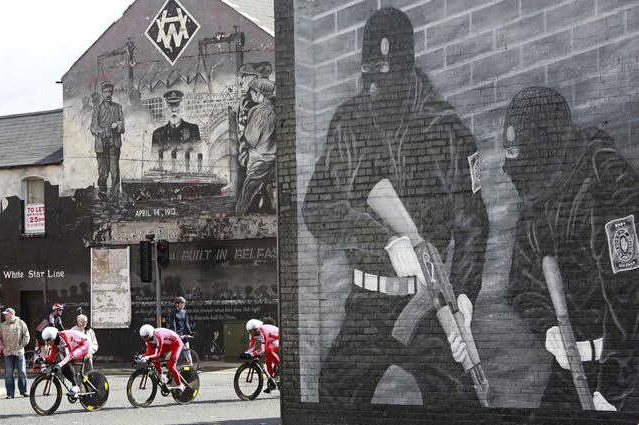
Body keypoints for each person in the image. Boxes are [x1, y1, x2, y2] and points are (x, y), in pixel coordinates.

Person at [301, 7, 489, 405]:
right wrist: (384, 240)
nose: (375, 88)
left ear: (407, 68)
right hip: (365, 306)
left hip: (428, 301)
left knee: (460, 400)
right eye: (370, 74)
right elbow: (316, 209)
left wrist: (465, 297)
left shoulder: (446, 129)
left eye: (387, 76)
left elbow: (473, 225)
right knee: (335, 395)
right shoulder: (348, 122)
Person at [505, 86, 639, 412]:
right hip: (573, 369)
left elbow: (630, 290)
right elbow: (522, 284)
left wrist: (613, 389)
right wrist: (548, 327)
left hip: (624, 370)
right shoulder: (537, 198)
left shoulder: (605, 177)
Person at [235, 78, 276, 215]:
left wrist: (244, 128)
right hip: (274, 158)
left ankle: (238, 217)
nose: (252, 96)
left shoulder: (257, 111)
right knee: (269, 188)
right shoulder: (277, 108)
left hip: (259, 159)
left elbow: (251, 139)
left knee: (247, 191)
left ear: (259, 95)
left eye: (252, 93)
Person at [90, 80, 124, 198]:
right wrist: (99, 131)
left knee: (115, 172)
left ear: (112, 92)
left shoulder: (118, 108)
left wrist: (117, 125)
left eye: (110, 91)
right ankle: (103, 190)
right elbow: (93, 126)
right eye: (105, 92)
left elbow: (123, 126)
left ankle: (115, 195)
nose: (108, 94)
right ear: (102, 93)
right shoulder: (97, 109)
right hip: (101, 144)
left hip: (114, 144)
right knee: (103, 172)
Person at [39, 327, 90, 396]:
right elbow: (51, 358)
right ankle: (75, 381)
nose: (46, 342)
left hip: (84, 344)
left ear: (53, 337)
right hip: (75, 345)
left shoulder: (64, 337)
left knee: (66, 362)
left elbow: (69, 355)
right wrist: (43, 359)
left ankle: (75, 386)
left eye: (48, 340)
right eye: (45, 340)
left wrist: (59, 365)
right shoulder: (55, 341)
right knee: (63, 365)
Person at [136, 324, 185, 392]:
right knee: (152, 357)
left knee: (171, 366)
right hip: (168, 344)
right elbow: (149, 353)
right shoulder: (149, 338)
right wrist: (141, 356)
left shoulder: (158, 336)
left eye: (146, 337)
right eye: (143, 337)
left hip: (176, 344)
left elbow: (157, 354)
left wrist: (147, 357)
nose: (145, 339)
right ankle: (162, 374)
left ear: (150, 334)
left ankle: (180, 385)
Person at [240, 319, 279, 394]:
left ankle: (280, 366)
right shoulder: (252, 334)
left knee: (269, 349)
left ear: (256, 329)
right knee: (268, 363)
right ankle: (274, 381)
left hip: (278, 339)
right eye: (249, 331)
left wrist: (252, 354)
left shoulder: (263, 332)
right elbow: (251, 347)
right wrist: (245, 354)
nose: (250, 333)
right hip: (270, 342)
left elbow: (263, 350)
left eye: (251, 331)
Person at [0, 307, 30, 398]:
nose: (5, 316)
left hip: (19, 352)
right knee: (8, 374)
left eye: (6, 314)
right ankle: (10, 393)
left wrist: (20, 346)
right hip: (7, 353)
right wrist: (3, 348)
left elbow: (26, 336)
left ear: (12, 314)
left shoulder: (21, 323)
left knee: (22, 372)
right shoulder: (2, 325)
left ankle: (24, 391)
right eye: (4, 314)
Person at [168, 296, 194, 365]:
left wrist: (190, 333)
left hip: (183, 335)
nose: (183, 305)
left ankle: (191, 367)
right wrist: (176, 335)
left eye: (184, 303)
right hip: (176, 335)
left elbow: (186, 324)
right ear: (177, 304)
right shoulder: (173, 312)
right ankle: (168, 365)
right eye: (181, 303)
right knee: (175, 352)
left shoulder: (184, 312)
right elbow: (173, 325)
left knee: (187, 350)